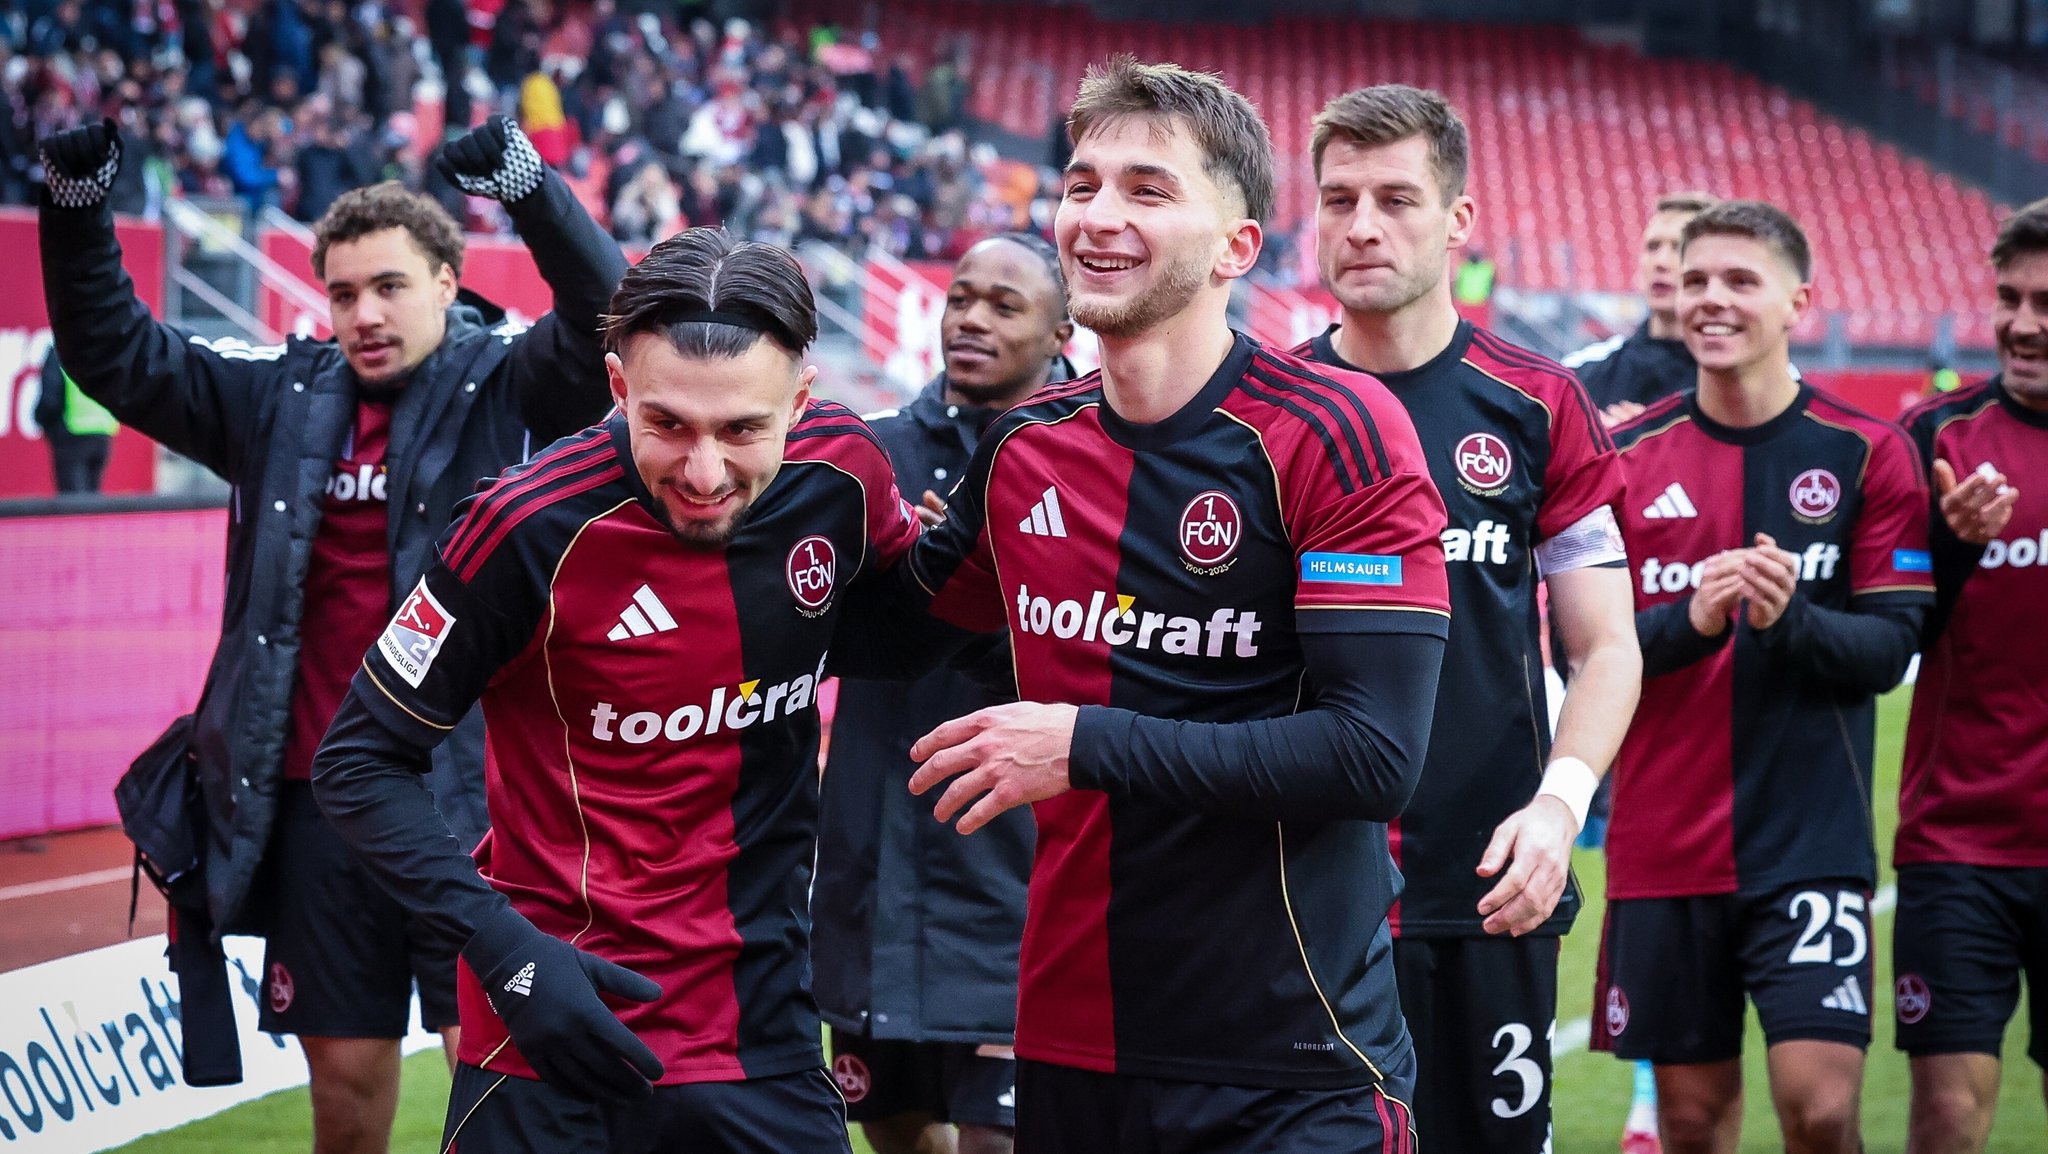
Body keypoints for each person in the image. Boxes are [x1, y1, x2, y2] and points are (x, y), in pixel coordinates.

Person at [37, 114, 624, 1154]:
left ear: (450, 281)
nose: (363, 312)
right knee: (346, 1102)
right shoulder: (274, 396)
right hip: (320, 806)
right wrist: (79, 209)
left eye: (390, 285)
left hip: (473, 800)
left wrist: (529, 186)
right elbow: (115, 355)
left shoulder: (510, 384)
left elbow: (606, 310)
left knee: (495, 1080)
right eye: (343, 291)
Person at [897, 57, 1452, 1151]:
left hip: (1291, 1058)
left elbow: (1371, 754)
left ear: (1236, 248)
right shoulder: (1022, 445)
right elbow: (892, 622)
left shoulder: (1334, 431)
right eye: (1080, 183)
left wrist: (1084, 742)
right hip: (1071, 1048)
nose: (1097, 216)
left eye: (1147, 190)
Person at [312, 228, 925, 1152]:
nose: (706, 472)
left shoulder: (846, 473)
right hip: (546, 1043)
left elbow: (914, 615)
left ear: (800, 400)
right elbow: (357, 762)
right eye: (668, 424)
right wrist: (505, 953)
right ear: (616, 388)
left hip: (764, 1041)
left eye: (744, 430)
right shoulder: (519, 527)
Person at [1294, 84, 1641, 1154]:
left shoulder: (1536, 403)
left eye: (1395, 197)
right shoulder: (1265, 408)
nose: (1360, 224)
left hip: (1492, 886)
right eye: (1337, 197)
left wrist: (1556, 807)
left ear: (1457, 219)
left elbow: (1605, 645)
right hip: (1307, 897)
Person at [1592, 201, 1935, 1154]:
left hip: (1810, 845)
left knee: (1821, 1111)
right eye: (1698, 279)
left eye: (1740, 281)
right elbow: (1576, 649)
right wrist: (1695, 621)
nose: (1712, 299)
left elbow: (1889, 651)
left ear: (1798, 302)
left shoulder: (1865, 452)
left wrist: (1790, 620)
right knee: (1693, 1122)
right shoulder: (1623, 458)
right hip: (1663, 846)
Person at [813, 231, 1072, 1154]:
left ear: (1061, 330)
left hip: (1015, 877)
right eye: (961, 296)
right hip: (874, 870)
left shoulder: (1080, 461)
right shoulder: (869, 456)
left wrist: (991, 586)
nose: (970, 317)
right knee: (898, 1132)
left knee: (1001, 1140)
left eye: (1005, 305)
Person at [1892, 196, 2048, 1154]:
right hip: (1961, 844)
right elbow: (1888, 640)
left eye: (2047, 302)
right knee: (1948, 1119)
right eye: (2009, 297)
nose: (2024, 323)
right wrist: (1949, 551)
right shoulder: (1934, 440)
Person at [1565, 192, 1719, 427]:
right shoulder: (1578, 373)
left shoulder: (1754, 385)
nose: (1661, 262)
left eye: (1680, 249)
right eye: (1653, 247)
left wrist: (1650, 445)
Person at [33, 349, 118, 493]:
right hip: (102, 432)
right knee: (92, 502)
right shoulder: (104, 350)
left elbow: (49, 401)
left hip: (73, 433)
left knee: (73, 504)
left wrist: (43, 422)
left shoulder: (62, 352)